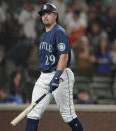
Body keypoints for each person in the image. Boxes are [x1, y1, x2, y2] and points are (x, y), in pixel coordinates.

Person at [25, 3, 83, 131]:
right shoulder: (44, 35)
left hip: (60, 74)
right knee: (33, 113)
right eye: (43, 14)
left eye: (48, 13)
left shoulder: (59, 32)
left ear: (55, 15)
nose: (45, 16)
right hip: (44, 76)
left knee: (68, 116)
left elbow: (64, 56)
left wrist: (56, 77)